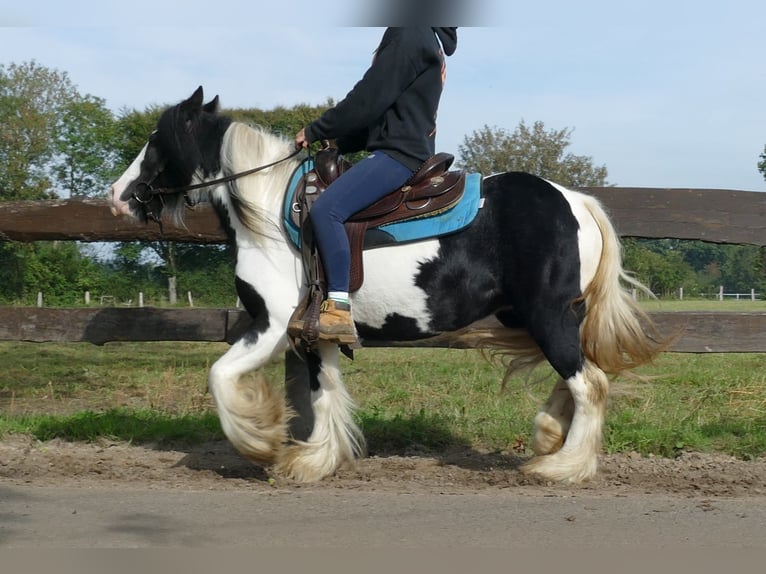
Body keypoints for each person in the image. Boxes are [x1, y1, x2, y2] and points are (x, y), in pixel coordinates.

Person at [294, 26, 458, 344]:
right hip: (405, 148)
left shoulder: (409, 33)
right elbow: (388, 113)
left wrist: (316, 130)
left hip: (399, 156)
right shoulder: (427, 37)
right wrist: (340, 141)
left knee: (327, 210)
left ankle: (338, 309)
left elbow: (369, 99)